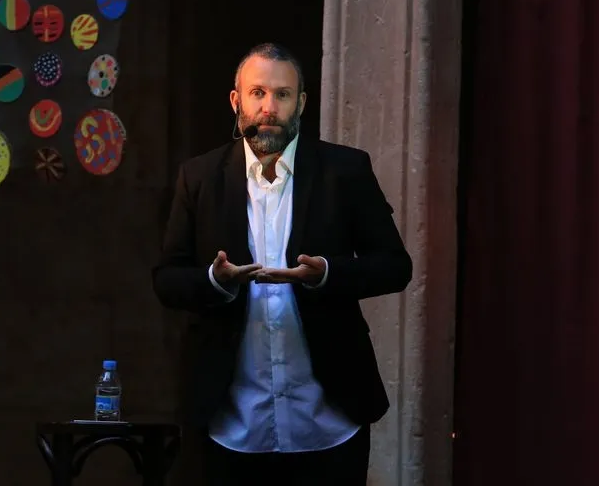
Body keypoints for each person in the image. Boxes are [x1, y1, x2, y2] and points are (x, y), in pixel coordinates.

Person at [152, 42, 413, 485]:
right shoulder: (198, 177)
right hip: (231, 424)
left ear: (301, 103)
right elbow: (167, 279)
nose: (269, 107)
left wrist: (327, 274)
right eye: (257, 93)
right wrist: (216, 280)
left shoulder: (344, 171)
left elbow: (394, 265)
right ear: (236, 100)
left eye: (283, 94)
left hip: (329, 420)